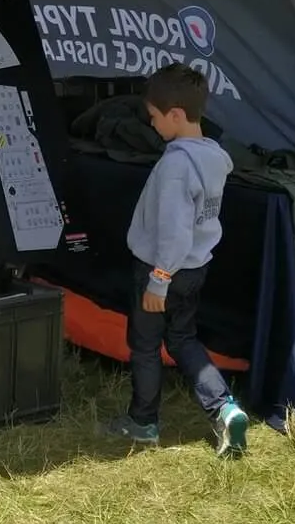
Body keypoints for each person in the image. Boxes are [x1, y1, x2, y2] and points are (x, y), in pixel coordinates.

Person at [101, 63, 249, 455]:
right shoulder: (214, 157)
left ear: (176, 115)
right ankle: (225, 408)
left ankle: (143, 422)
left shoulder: (175, 167)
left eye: (154, 117)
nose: (152, 125)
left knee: (146, 345)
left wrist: (158, 280)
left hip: (162, 269)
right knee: (183, 338)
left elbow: (174, 230)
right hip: (196, 268)